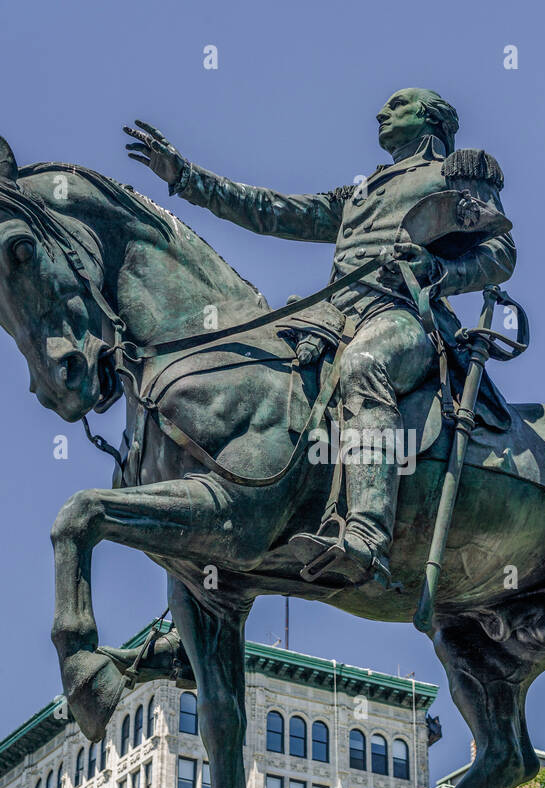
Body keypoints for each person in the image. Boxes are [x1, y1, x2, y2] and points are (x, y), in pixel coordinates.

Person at [124, 87, 515, 586]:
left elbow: (501, 254)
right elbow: (273, 211)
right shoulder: (359, 194)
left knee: (363, 367)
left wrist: (437, 266)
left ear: (432, 119)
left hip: (401, 317)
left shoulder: (456, 174)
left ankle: (367, 536)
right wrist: (185, 177)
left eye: (398, 105)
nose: (381, 111)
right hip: (330, 320)